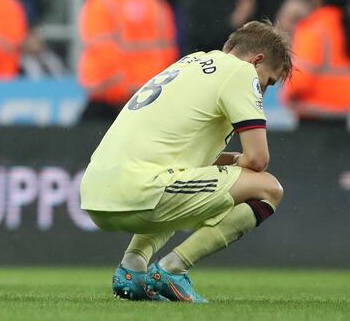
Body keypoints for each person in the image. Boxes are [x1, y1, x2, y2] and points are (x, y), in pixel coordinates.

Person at [80, 21, 292, 302]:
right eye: (268, 81)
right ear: (257, 60)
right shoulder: (241, 72)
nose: (263, 91)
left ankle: (132, 268)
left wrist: (229, 163)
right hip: (139, 190)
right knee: (268, 189)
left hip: (95, 192)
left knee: (185, 177)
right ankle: (173, 269)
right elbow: (257, 159)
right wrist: (239, 161)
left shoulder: (187, 64)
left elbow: (180, 151)